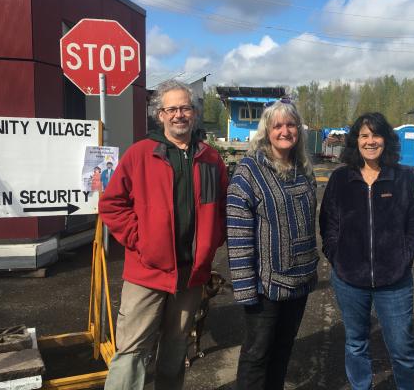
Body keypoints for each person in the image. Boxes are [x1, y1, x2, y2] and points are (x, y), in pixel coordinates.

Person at [99, 80, 228, 390]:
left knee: (174, 348)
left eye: (185, 108)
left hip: (191, 275)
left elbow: (222, 207)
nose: (179, 115)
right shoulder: (141, 154)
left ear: (195, 114)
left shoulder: (211, 159)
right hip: (147, 273)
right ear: (160, 114)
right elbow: (111, 204)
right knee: (132, 352)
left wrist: (212, 241)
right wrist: (141, 241)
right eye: (171, 109)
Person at [320, 112, 414, 390]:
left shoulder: (405, 177)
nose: (370, 141)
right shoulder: (341, 179)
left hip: (395, 280)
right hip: (349, 279)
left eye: (375, 135)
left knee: (402, 348)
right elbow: (328, 222)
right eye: (364, 135)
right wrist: (336, 255)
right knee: (356, 344)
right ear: (355, 140)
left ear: (386, 139)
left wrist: (404, 257)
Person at [227, 99, 318, 389]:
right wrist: (244, 289)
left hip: (300, 280)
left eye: (290, 124)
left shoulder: (303, 168)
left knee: (283, 350)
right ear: (266, 131)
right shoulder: (248, 172)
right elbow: (238, 235)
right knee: (257, 355)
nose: (285, 131)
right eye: (277, 125)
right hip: (265, 286)